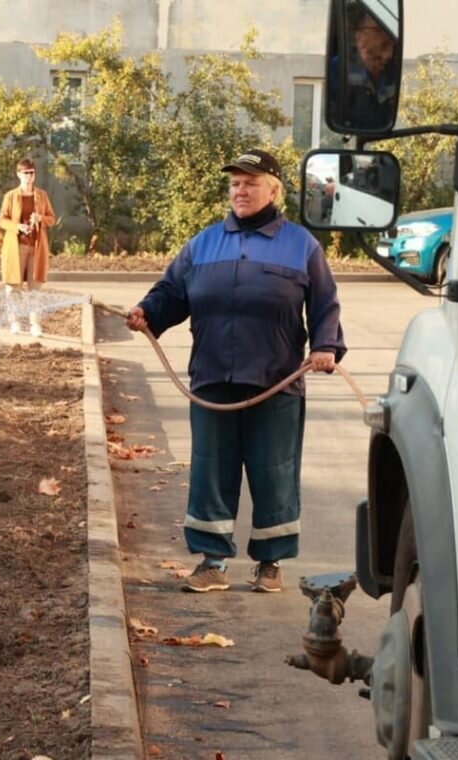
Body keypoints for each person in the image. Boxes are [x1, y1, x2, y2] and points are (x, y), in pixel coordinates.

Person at [125, 148, 347, 594]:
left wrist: (325, 347)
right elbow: (171, 291)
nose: (240, 190)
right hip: (212, 379)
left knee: (274, 470)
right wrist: (147, 311)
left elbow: (324, 303)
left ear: (273, 189)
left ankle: (270, 563)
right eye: (234, 183)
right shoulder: (203, 243)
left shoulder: (301, 245)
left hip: (275, 382)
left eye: (249, 182)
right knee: (211, 468)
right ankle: (212, 561)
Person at [0, 157, 56, 337]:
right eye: (25, 173)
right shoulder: (11, 196)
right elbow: (2, 220)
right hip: (16, 247)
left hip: (36, 247)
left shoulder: (42, 195)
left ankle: (35, 324)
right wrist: (17, 227)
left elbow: (52, 219)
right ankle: (14, 322)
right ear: (18, 175)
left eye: (32, 173)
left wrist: (41, 219)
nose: (29, 177)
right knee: (13, 286)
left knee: (34, 288)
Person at [329, 12, 399, 131]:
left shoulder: (393, 73)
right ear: (359, 36)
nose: (388, 55)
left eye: (392, 45)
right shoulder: (337, 70)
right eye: (384, 45)